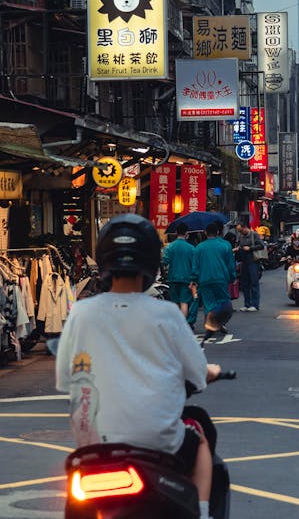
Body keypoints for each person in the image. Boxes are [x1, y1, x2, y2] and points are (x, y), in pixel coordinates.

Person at [54, 214, 221, 519]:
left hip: (93, 448)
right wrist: (211, 372)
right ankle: (204, 512)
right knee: (198, 439)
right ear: (152, 260)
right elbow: (197, 374)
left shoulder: (82, 312)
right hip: (158, 443)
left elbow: (67, 379)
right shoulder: (167, 314)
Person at [192, 221, 236, 333]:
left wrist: (194, 279)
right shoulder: (226, 245)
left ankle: (210, 323)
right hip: (221, 278)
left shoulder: (199, 247)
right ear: (218, 232)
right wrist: (232, 277)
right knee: (222, 301)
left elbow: (195, 267)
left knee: (208, 303)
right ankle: (221, 322)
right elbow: (231, 264)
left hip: (204, 279)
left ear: (205, 233)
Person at [162, 224, 198, 327]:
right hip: (187, 278)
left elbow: (165, 261)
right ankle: (183, 325)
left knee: (175, 302)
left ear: (176, 233)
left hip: (173, 277)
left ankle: (177, 323)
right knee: (184, 302)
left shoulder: (170, 247)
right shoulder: (191, 248)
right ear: (186, 234)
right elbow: (195, 265)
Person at [233, 224, 264, 312]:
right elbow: (240, 246)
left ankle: (255, 304)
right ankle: (247, 304)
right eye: (239, 231)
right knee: (245, 283)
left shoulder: (254, 235)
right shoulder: (241, 237)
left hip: (253, 261)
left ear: (245, 228)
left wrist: (250, 248)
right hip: (244, 262)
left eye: (241, 230)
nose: (240, 232)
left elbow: (261, 245)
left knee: (254, 282)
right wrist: (237, 249)